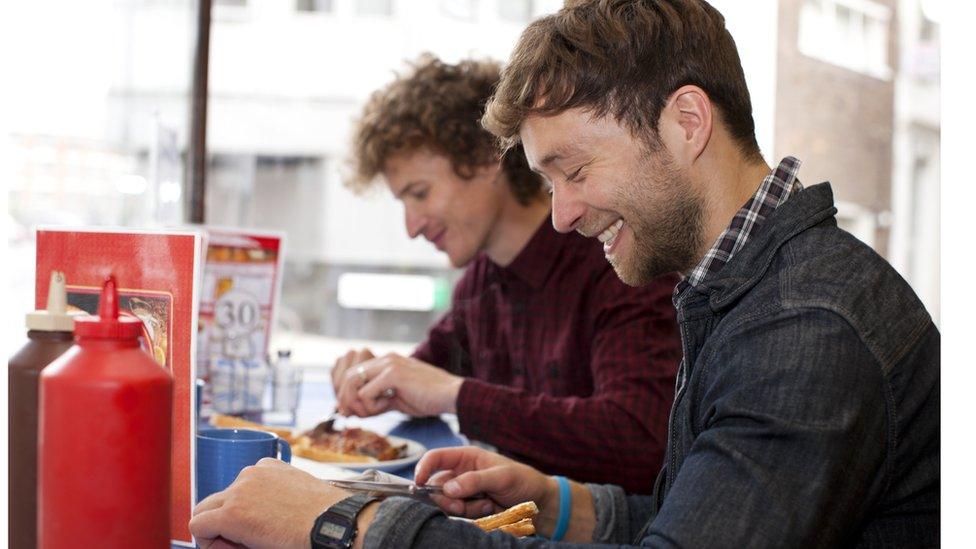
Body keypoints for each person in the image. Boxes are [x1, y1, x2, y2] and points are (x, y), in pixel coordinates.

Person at [189, 1, 940, 548]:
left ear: (686, 122)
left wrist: (342, 520)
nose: (561, 215)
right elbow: (696, 515)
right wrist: (559, 503)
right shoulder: (737, 285)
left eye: (573, 171)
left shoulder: (806, 327)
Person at [328, 54, 681, 491]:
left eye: (419, 193)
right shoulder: (481, 280)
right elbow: (425, 372)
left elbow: (639, 439)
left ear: (486, 158)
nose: (411, 226)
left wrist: (455, 395)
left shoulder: (615, 262)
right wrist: (373, 377)